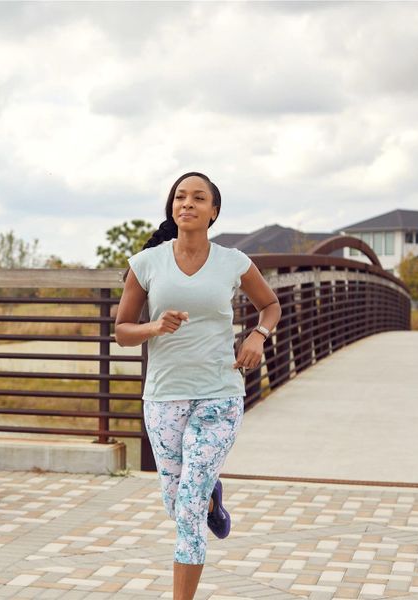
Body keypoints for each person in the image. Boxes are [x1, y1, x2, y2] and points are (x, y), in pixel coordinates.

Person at [115, 172, 281, 600]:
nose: (186, 203)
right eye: (179, 197)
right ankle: (211, 498)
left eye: (198, 198)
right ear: (172, 207)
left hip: (220, 394)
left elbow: (270, 305)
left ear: (213, 211)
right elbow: (122, 331)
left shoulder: (234, 262)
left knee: (186, 510)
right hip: (164, 397)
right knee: (176, 502)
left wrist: (257, 336)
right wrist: (153, 326)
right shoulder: (146, 262)